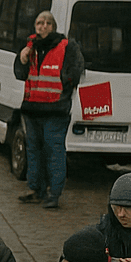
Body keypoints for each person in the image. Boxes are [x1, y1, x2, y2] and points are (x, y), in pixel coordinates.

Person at [14, 12, 84, 209]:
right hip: (32, 109)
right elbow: (20, 74)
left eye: (47, 23)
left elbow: (75, 72)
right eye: (39, 23)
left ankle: (54, 193)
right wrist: (21, 59)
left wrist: (63, 93)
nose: (42, 26)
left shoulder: (66, 46)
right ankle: (35, 189)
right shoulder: (30, 47)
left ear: (53, 26)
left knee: (54, 152)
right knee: (34, 151)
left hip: (55, 110)